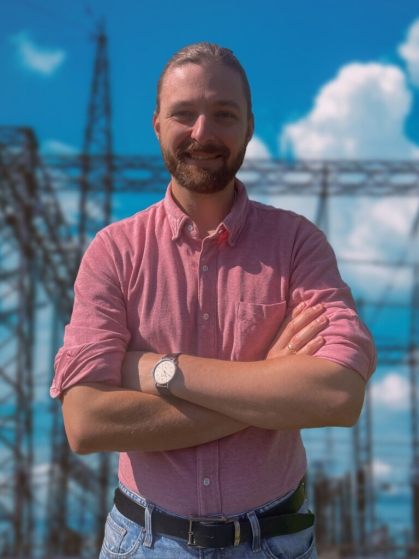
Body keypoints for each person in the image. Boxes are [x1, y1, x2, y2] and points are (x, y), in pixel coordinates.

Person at [51, 43, 376, 559]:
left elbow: (339, 396)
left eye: (224, 114)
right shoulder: (113, 252)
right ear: (157, 124)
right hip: (144, 541)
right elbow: (86, 423)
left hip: (275, 542)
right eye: (184, 114)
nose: (203, 132)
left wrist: (161, 371)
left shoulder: (298, 244)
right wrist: (266, 387)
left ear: (249, 126)